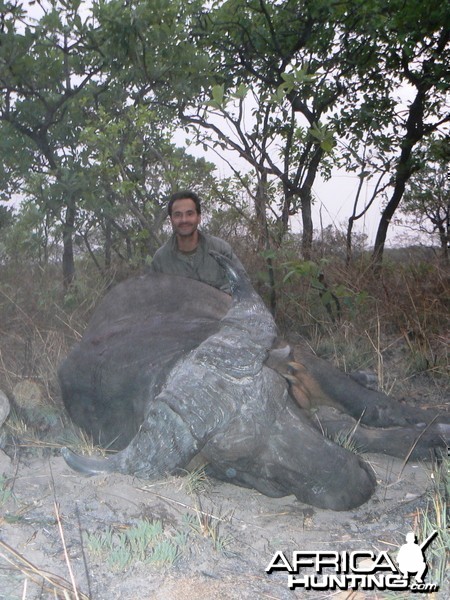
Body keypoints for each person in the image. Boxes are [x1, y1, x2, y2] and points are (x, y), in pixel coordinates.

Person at [151, 190, 246, 293]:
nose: (184, 220)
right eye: (178, 215)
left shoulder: (221, 250)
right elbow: (154, 296)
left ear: (199, 217)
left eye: (189, 214)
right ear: (171, 220)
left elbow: (243, 286)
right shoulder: (160, 259)